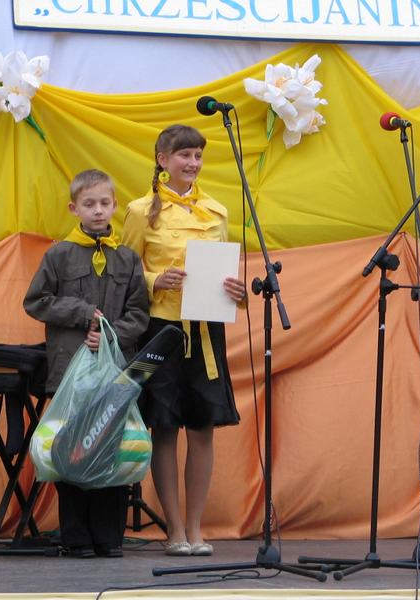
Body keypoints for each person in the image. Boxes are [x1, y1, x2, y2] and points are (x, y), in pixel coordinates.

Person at [122, 124, 245, 557]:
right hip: (162, 329)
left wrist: (238, 292)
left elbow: (224, 272)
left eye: (197, 156)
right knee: (165, 427)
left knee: (203, 427)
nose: (192, 163)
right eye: (184, 155)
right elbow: (126, 272)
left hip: (207, 330)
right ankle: (173, 528)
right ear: (163, 159)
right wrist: (155, 279)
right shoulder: (140, 211)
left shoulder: (217, 211)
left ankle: (196, 528)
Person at [24, 169, 149, 558]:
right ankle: (76, 537)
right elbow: (36, 301)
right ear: (73, 208)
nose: (98, 211)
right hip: (70, 375)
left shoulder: (127, 259)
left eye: (104, 203)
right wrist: (81, 314)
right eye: (89, 204)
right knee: (72, 449)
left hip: (114, 373)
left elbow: (139, 314)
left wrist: (111, 335)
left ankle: (108, 537)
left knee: (113, 448)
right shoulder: (58, 255)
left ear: (115, 206)